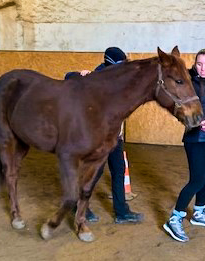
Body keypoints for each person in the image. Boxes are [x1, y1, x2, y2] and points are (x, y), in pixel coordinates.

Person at [64, 47, 144, 224]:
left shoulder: (120, 79)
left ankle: (122, 212)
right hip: (100, 138)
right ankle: (79, 206)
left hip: (117, 137)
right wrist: (79, 74)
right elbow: (68, 77)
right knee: (94, 174)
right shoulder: (96, 78)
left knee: (119, 172)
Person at [163, 48, 205, 242]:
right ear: (195, 64)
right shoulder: (189, 83)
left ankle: (199, 213)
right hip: (196, 139)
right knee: (197, 180)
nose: (203, 68)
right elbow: (182, 110)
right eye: (199, 64)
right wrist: (197, 121)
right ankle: (174, 219)